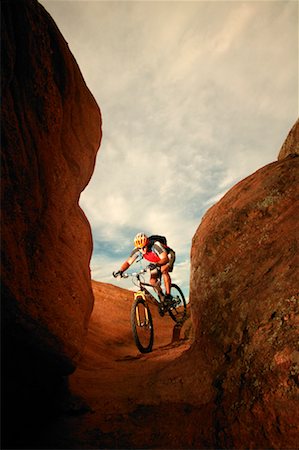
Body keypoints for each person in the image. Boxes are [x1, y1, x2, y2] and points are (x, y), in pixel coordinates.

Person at [113, 232, 176, 303]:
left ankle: (168, 296)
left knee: (163, 270)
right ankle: (162, 297)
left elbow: (165, 259)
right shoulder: (138, 249)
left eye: (144, 247)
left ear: (147, 243)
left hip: (167, 256)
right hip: (155, 261)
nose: (142, 250)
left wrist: (157, 264)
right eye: (140, 248)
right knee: (152, 281)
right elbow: (128, 262)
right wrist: (121, 270)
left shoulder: (155, 245)